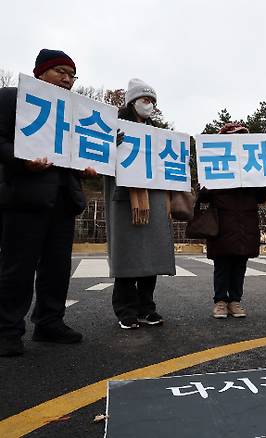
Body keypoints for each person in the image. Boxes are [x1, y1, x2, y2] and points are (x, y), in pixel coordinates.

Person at [0, 49, 96, 357]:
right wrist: (22, 161)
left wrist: (90, 165)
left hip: (64, 200)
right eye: (60, 72)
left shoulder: (75, 113)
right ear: (40, 73)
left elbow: (80, 151)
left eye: (72, 75)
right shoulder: (11, 98)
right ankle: (7, 330)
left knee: (57, 267)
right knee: (17, 266)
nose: (67, 80)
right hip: (24, 198)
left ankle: (49, 322)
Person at [104, 79, 174, 330]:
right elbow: (100, 158)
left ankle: (147, 307)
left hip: (154, 198)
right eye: (145, 100)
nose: (150, 105)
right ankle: (125, 309)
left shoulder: (157, 133)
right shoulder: (114, 128)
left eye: (153, 101)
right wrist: (112, 144)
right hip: (125, 198)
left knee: (151, 255)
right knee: (128, 255)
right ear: (131, 102)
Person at [201, 123, 266, 319]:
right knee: (222, 264)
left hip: (246, 222)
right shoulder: (216, 165)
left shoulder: (252, 166)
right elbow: (204, 196)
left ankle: (235, 300)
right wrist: (205, 186)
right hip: (222, 222)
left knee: (240, 264)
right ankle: (220, 301)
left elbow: (259, 196)